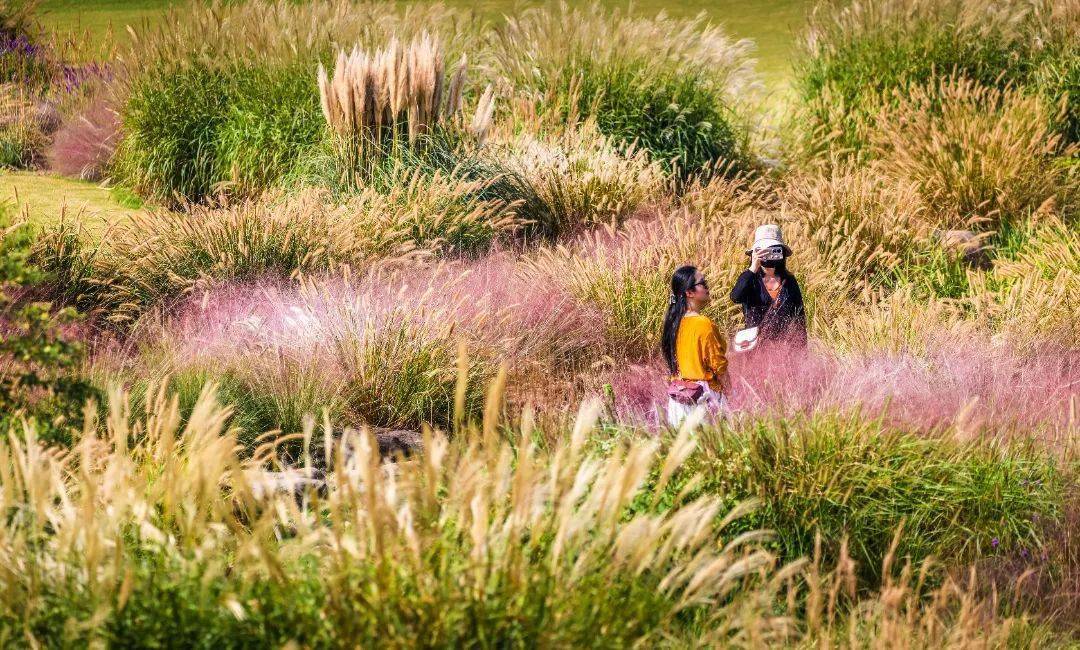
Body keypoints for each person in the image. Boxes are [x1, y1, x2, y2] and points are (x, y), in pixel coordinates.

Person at [661, 265, 729, 426]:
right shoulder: (703, 324)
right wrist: (727, 388)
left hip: (678, 399)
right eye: (703, 283)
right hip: (704, 398)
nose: (707, 287)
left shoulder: (673, 323)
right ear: (689, 292)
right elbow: (718, 365)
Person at [730, 224, 808, 348]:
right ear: (755, 253)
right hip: (755, 348)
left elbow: (799, 316)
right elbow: (735, 297)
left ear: (781, 253)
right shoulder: (750, 279)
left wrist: (802, 350)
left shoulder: (789, 280)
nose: (769, 255)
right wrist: (752, 268)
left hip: (783, 349)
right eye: (764, 251)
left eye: (773, 250)